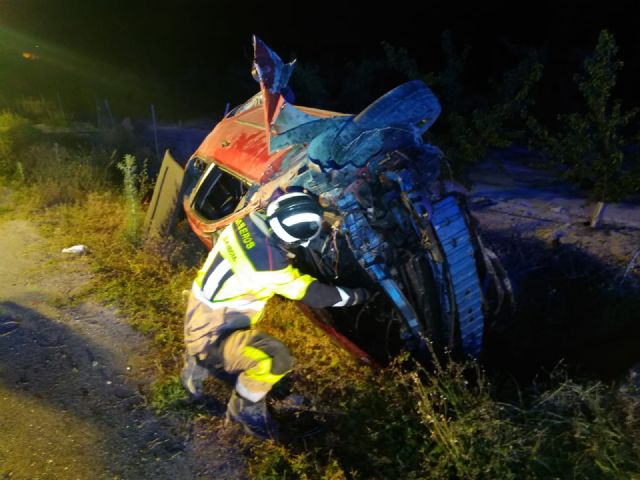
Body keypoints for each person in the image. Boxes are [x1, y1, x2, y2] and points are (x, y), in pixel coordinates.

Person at [181, 192, 369, 439]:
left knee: (209, 343)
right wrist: (358, 296)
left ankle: (196, 363)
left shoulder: (246, 222)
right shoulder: (267, 267)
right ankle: (244, 409)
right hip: (214, 333)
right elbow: (314, 295)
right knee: (276, 359)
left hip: (200, 312)